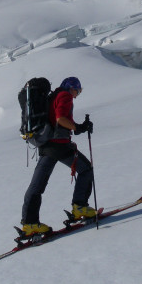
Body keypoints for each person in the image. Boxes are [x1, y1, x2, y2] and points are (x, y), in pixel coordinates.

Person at [21, 76, 95, 236]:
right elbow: (60, 118)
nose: (77, 95)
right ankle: (80, 207)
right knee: (86, 169)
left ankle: (30, 223)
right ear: (71, 88)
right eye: (78, 91)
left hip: (46, 145)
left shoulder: (52, 96)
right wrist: (78, 127)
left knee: (37, 185)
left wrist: (76, 127)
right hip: (60, 146)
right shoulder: (65, 96)